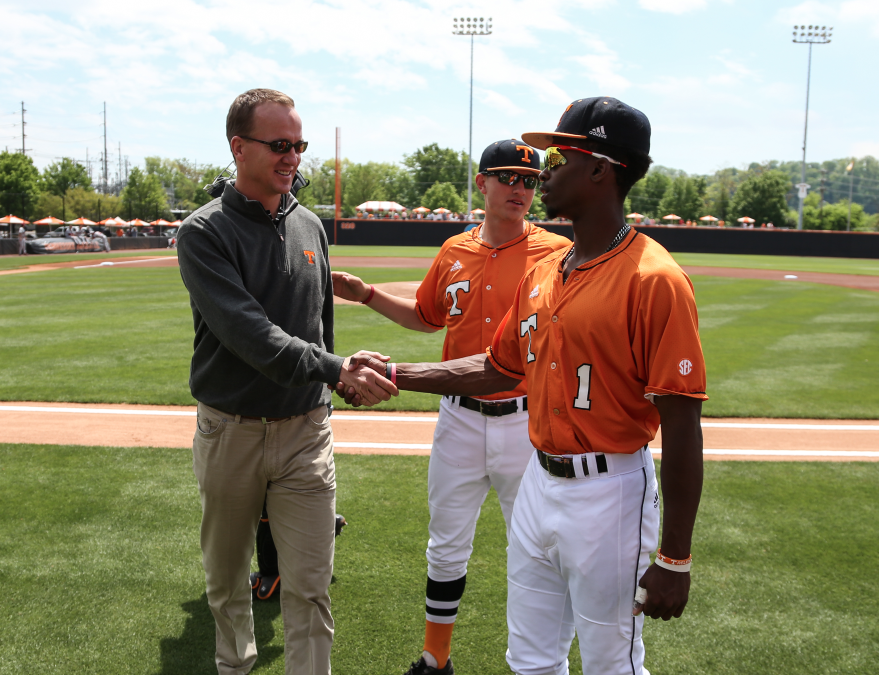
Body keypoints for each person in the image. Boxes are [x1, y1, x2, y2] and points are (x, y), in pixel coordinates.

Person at [341, 97, 707, 675]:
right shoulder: (545, 272)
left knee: (612, 662)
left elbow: (684, 425)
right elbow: (494, 366)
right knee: (531, 659)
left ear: (600, 169)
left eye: (560, 155)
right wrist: (394, 374)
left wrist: (676, 557)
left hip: (608, 491)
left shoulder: (654, 279)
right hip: (537, 476)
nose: (545, 169)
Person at [176, 88, 397, 675]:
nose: (292, 157)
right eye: (279, 145)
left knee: (311, 587)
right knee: (226, 585)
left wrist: (335, 380)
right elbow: (249, 334)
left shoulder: (309, 225)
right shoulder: (204, 232)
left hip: (305, 433)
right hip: (231, 434)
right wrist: (335, 368)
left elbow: (318, 326)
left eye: (299, 145)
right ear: (238, 147)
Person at [333, 139, 570, 675]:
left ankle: (540, 665)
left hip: (526, 421)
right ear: (482, 183)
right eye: (507, 177)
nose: (520, 188)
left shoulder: (555, 252)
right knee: (445, 544)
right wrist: (367, 294)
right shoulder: (454, 249)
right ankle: (434, 658)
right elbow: (426, 315)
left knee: (535, 550)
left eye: (529, 180)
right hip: (459, 419)